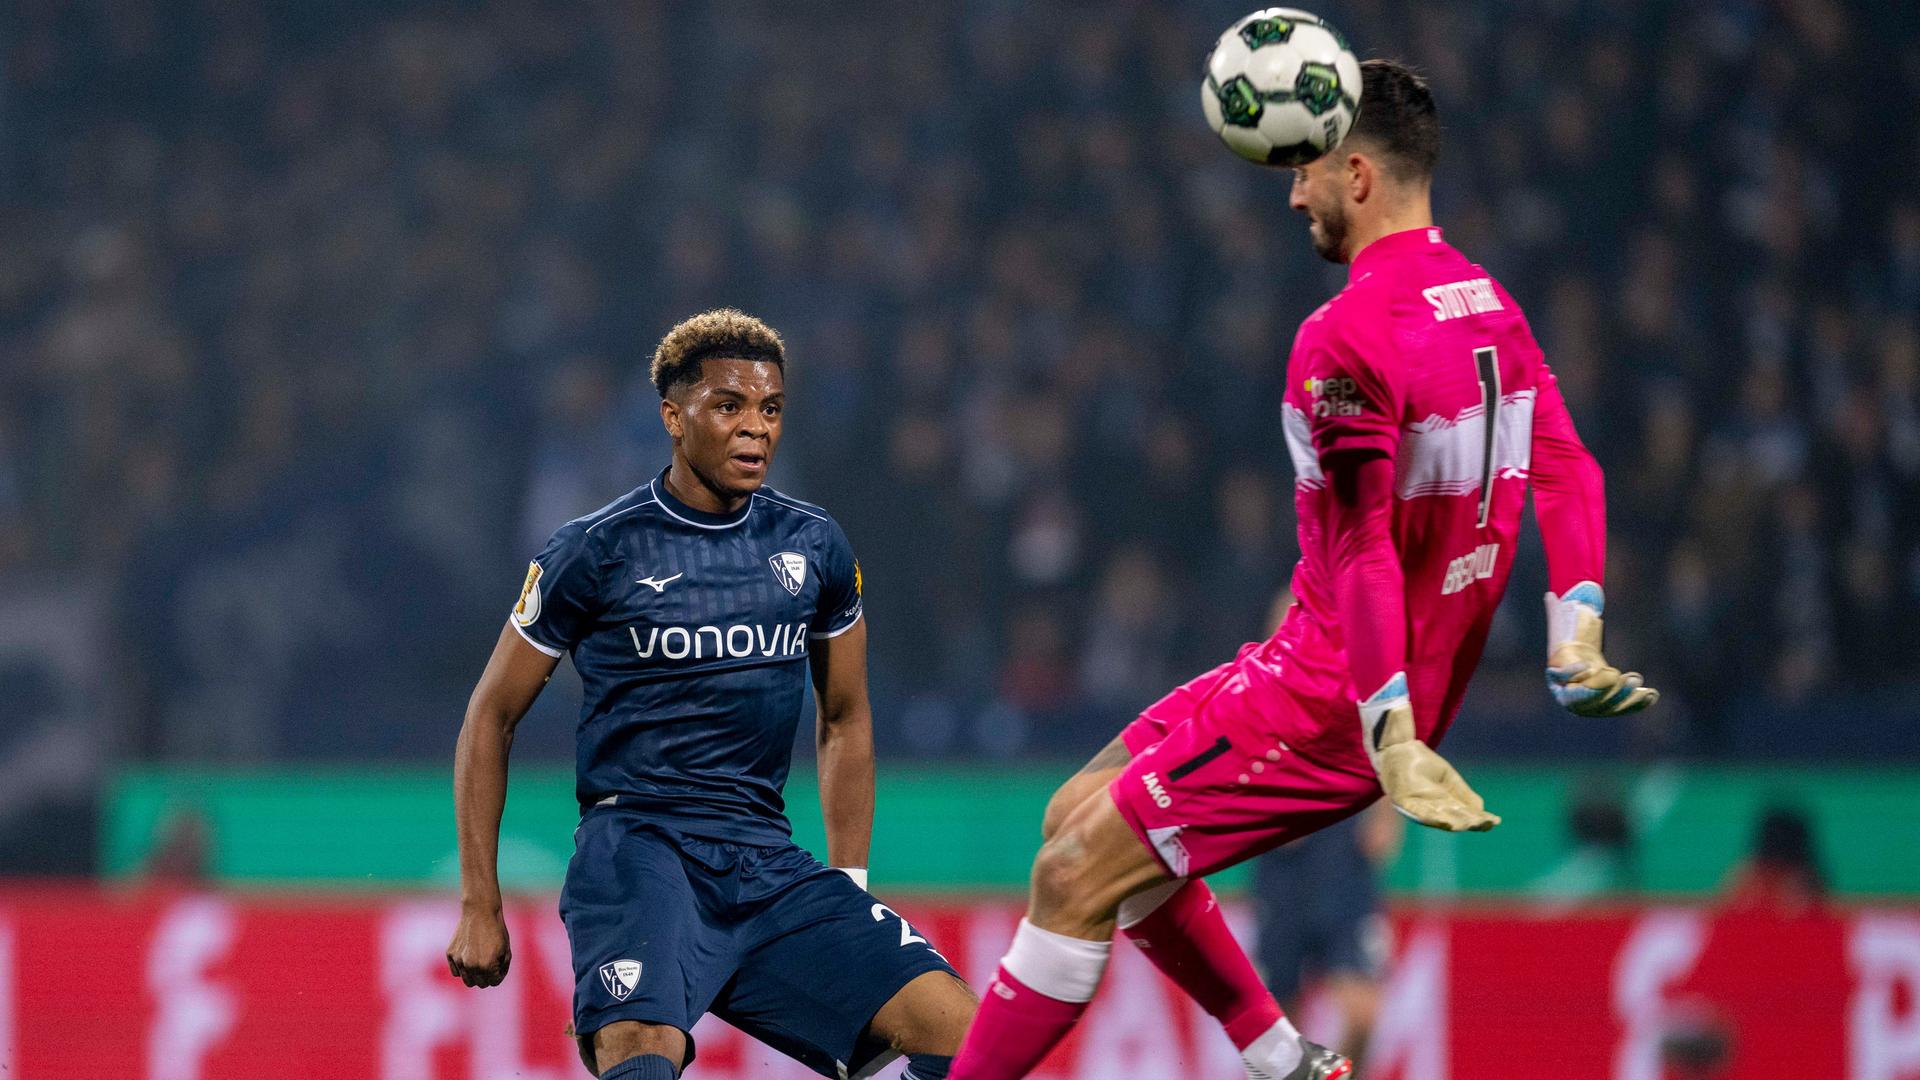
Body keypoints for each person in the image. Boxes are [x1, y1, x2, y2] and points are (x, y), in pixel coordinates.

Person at [947, 59, 1657, 1080]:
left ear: (1357, 174)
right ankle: (1279, 1054)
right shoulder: (1487, 303)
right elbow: (1570, 467)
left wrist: (1387, 727)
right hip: (1339, 670)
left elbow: (1364, 545)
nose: (1292, 196)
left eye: (1303, 171)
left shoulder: (1346, 336)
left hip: (1333, 696)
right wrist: (1574, 633)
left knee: (1070, 872)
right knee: (1077, 812)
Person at [445, 309, 975, 1080]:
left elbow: (843, 716)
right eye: (729, 405)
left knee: (966, 1036)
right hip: (639, 853)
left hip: (765, 859)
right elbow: (490, 715)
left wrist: (850, 889)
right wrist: (479, 901)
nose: (755, 427)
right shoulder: (594, 549)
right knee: (641, 1049)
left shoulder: (814, 545)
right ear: (673, 415)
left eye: (771, 409)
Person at [1253, 801, 1400, 1069]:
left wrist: (1386, 814)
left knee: (1362, 1013)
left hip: (1348, 862)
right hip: (1284, 869)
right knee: (1281, 1016)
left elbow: (1389, 771)